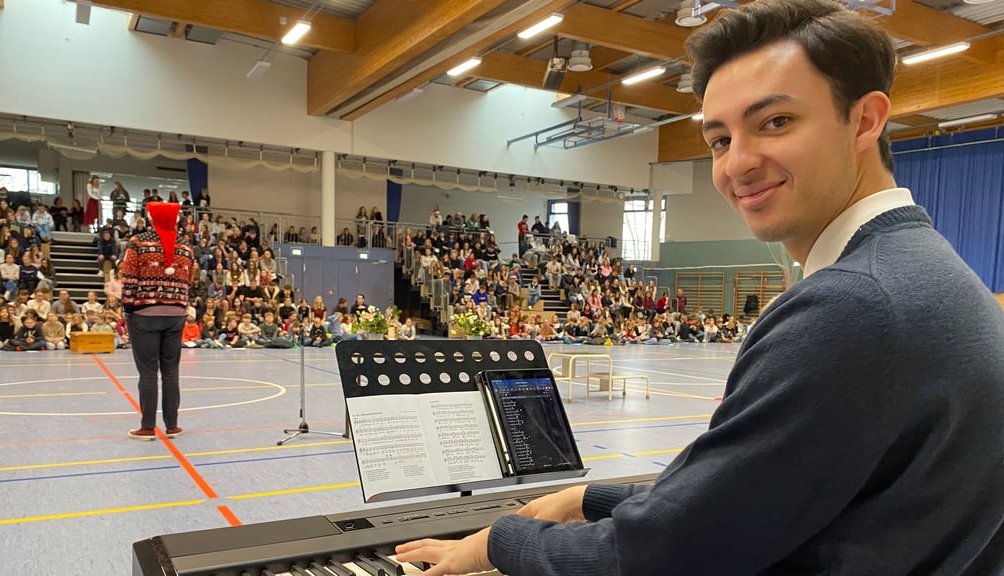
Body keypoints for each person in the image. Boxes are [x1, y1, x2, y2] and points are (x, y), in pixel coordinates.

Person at [395, 1, 1004, 574]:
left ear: (865, 120)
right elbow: (757, 493)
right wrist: (592, 498)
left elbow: (671, 554)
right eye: (719, 139)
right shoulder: (929, 272)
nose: (738, 162)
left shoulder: (852, 304)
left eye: (776, 121)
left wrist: (502, 541)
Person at [120, 202, 194, 441]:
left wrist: (129, 307)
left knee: (148, 372)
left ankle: (147, 427)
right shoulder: (186, 247)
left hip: (144, 314)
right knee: (171, 372)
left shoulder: (139, 243)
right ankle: (172, 425)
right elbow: (190, 279)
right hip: (176, 315)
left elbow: (129, 277)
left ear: (152, 218)